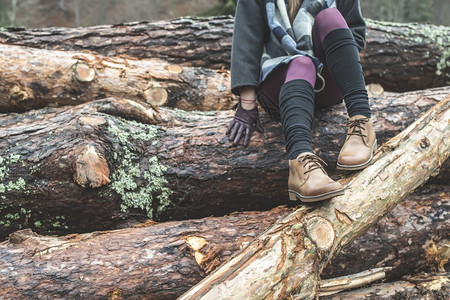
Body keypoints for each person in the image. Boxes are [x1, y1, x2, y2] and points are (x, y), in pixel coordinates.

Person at [226, 0, 377, 202]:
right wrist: (246, 102)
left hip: (327, 81)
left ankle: (362, 124)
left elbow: (354, 36)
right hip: (279, 83)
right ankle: (301, 164)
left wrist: (329, 53)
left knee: (329, 17)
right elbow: (247, 39)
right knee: (302, 62)